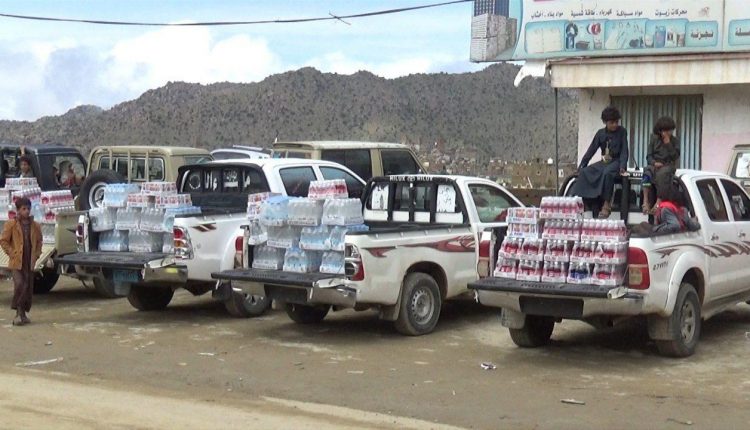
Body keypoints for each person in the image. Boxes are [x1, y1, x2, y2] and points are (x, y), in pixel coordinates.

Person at [572, 106, 629, 218]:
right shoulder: (600, 133)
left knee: (607, 173)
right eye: (612, 122)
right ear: (605, 122)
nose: (615, 125)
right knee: (585, 172)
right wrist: (582, 165)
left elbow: (624, 151)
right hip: (604, 162)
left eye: (616, 122)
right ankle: (585, 202)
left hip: (616, 162)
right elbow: (591, 150)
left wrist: (622, 166)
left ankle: (606, 204)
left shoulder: (622, 132)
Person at [0, 197, 43, 326]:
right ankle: (18, 312)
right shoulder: (11, 225)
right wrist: (11, 252)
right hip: (17, 261)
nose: (27, 211)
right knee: (20, 284)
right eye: (24, 209)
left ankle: (22, 314)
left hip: (29, 261)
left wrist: (36, 254)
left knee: (28, 287)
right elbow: (4, 241)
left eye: (28, 208)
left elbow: (39, 241)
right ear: (18, 210)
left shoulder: (35, 226)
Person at [633, 175, 699, 235]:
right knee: (643, 224)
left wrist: (655, 229)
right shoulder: (682, 209)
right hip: (669, 228)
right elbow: (693, 226)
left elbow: (675, 225)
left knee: (639, 227)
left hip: (668, 234)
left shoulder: (666, 208)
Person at [642, 117, 680, 214]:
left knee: (662, 175)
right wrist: (654, 163)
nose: (668, 133)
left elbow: (675, 156)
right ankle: (645, 201)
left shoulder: (675, 141)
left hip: (667, 165)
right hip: (655, 165)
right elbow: (649, 156)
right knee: (647, 172)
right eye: (665, 131)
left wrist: (668, 144)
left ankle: (659, 201)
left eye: (670, 130)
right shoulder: (654, 140)